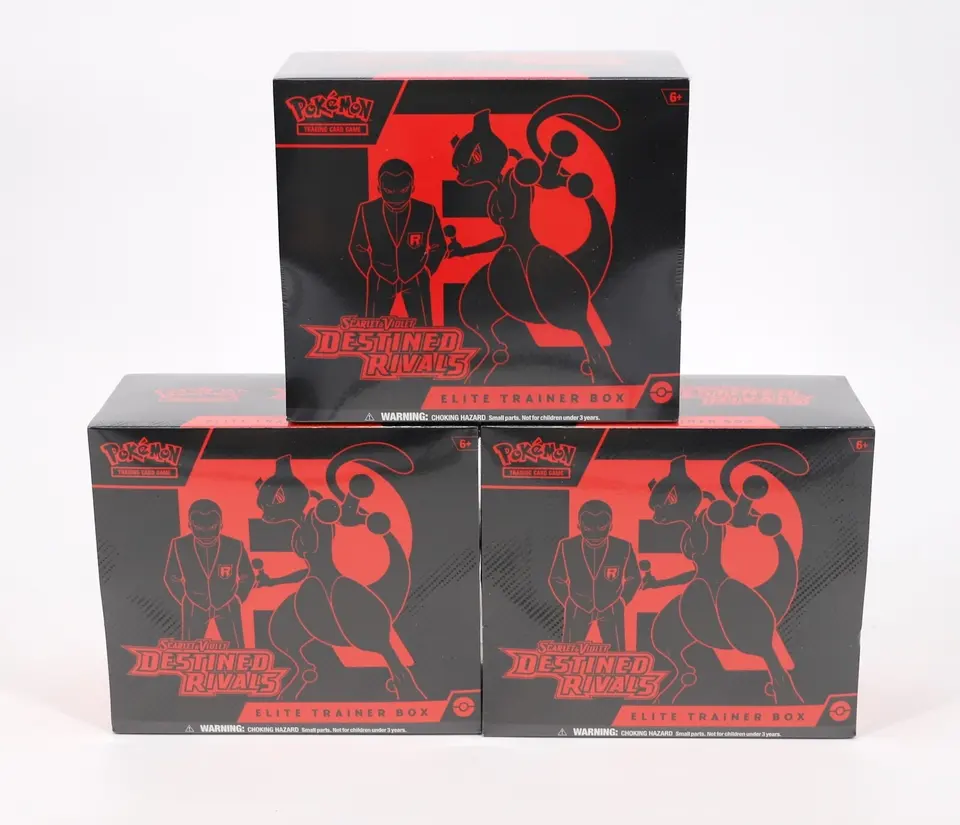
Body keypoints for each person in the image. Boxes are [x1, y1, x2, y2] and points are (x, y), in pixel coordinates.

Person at [348, 159, 445, 326]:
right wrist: (372, 271)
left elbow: (439, 245)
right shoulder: (367, 210)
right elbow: (357, 246)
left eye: (403, 189)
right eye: (389, 189)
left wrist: (426, 270)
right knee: (374, 330)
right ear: (379, 188)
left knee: (425, 330)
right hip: (381, 277)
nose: (396, 195)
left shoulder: (426, 211)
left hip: (416, 276)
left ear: (412, 187)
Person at [548, 500, 641, 651]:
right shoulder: (566, 546)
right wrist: (569, 601)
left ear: (611, 526)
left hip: (611, 606)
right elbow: (556, 578)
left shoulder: (623, 547)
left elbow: (634, 577)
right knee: (569, 655)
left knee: (617, 655)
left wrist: (622, 601)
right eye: (588, 527)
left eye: (602, 526)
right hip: (578, 606)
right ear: (579, 526)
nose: (595, 533)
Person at [163, 499, 254, 647]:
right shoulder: (179, 545)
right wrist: (186, 599)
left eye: (212, 526)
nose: (205, 532)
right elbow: (171, 577)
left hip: (228, 603)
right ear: (189, 525)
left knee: (238, 651)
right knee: (189, 652)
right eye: (198, 526)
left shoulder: (235, 546)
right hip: (194, 605)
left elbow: (247, 576)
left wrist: (237, 598)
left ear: (221, 525)